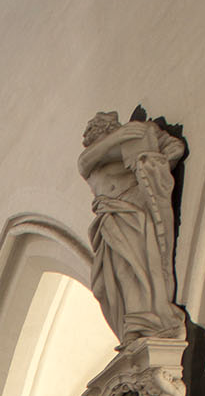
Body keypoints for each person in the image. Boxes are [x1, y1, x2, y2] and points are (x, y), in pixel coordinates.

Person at [78, 110, 188, 346]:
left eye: (94, 127)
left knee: (133, 268)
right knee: (102, 286)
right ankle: (132, 322)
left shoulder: (139, 136)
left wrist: (153, 166)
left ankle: (141, 322)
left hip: (131, 209)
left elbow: (174, 147)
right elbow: (85, 162)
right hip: (109, 216)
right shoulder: (97, 155)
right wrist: (121, 136)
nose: (88, 134)